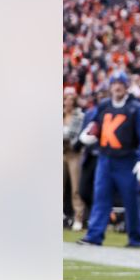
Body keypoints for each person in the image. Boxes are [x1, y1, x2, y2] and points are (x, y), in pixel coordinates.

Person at [76, 72, 140, 248]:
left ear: (126, 86)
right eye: (114, 83)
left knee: (131, 201)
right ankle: (94, 236)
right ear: (110, 86)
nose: (117, 87)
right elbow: (94, 126)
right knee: (100, 198)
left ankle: (135, 239)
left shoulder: (135, 108)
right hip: (105, 158)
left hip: (126, 160)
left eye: (120, 83)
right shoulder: (104, 106)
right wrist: (89, 135)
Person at [63, 88, 86, 231]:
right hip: (60, 152)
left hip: (74, 153)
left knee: (75, 188)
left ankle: (78, 217)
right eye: (66, 98)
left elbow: (73, 135)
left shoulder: (79, 116)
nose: (68, 101)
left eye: (71, 99)